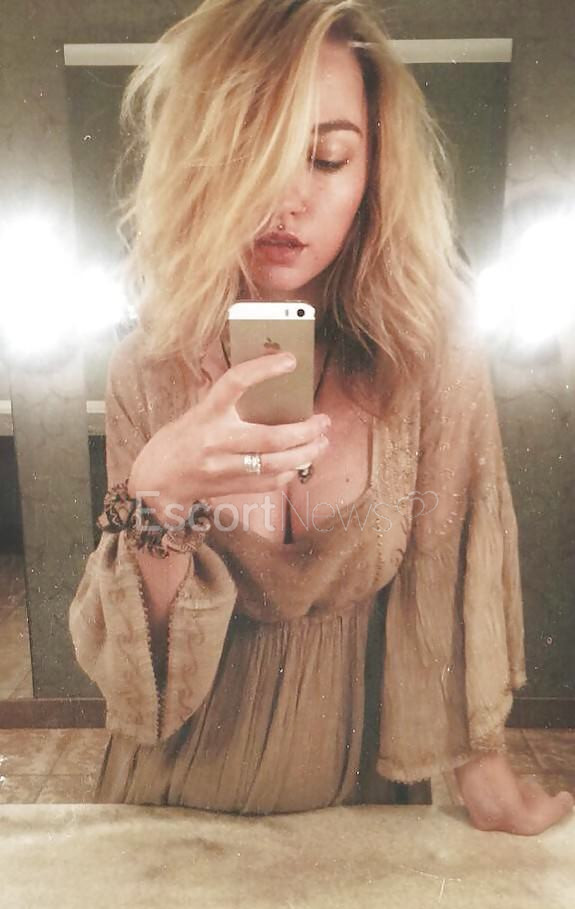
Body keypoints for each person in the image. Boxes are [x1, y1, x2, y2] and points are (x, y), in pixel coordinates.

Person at [69, 0, 573, 834]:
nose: (285, 198)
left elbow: (448, 582)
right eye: (248, 152)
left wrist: (483, 773)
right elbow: (136, 683)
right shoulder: (148, 369)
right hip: (169, 800)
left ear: (374, 170)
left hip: (360, 800)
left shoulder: (428, 361)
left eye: (325, 157)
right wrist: (157, 498)